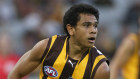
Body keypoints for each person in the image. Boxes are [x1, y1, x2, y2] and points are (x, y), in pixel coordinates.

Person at [8, 4, 110, 79]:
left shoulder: (100, 68)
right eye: (86, 25)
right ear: (71, 29)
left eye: (95, 26)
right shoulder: (47, 47)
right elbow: (15, 73)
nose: (93, 30)